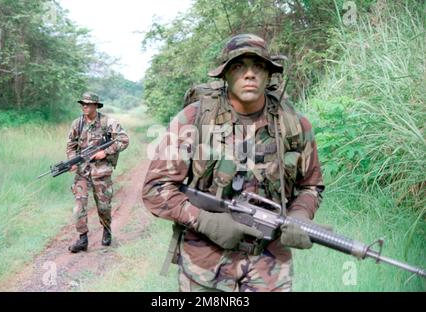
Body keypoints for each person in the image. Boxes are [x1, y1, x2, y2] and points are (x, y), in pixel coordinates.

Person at [142, 34, 324, 291]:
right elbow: (156, 189)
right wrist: (206, 222)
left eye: (258, 66)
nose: (249, 74)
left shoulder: (293, 124)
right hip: (205, 262)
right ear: (225, 74)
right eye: (239, 66)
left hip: (269, 266)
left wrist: (300, 215)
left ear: (269, 74)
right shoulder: (194, 118)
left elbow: (311, 186)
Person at [66, 92, 129, 253]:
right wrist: (72, 161)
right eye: (83, 104)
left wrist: (105, 152)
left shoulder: (108, 122)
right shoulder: (77, 124)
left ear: (96, 105)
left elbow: (124, 140)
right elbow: (71, 146)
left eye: (88, 104)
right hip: (82, 172)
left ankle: (107, 230)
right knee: (79, 206)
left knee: (104, 206)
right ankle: (83, 239)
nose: (84, 106)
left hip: (101, 172)